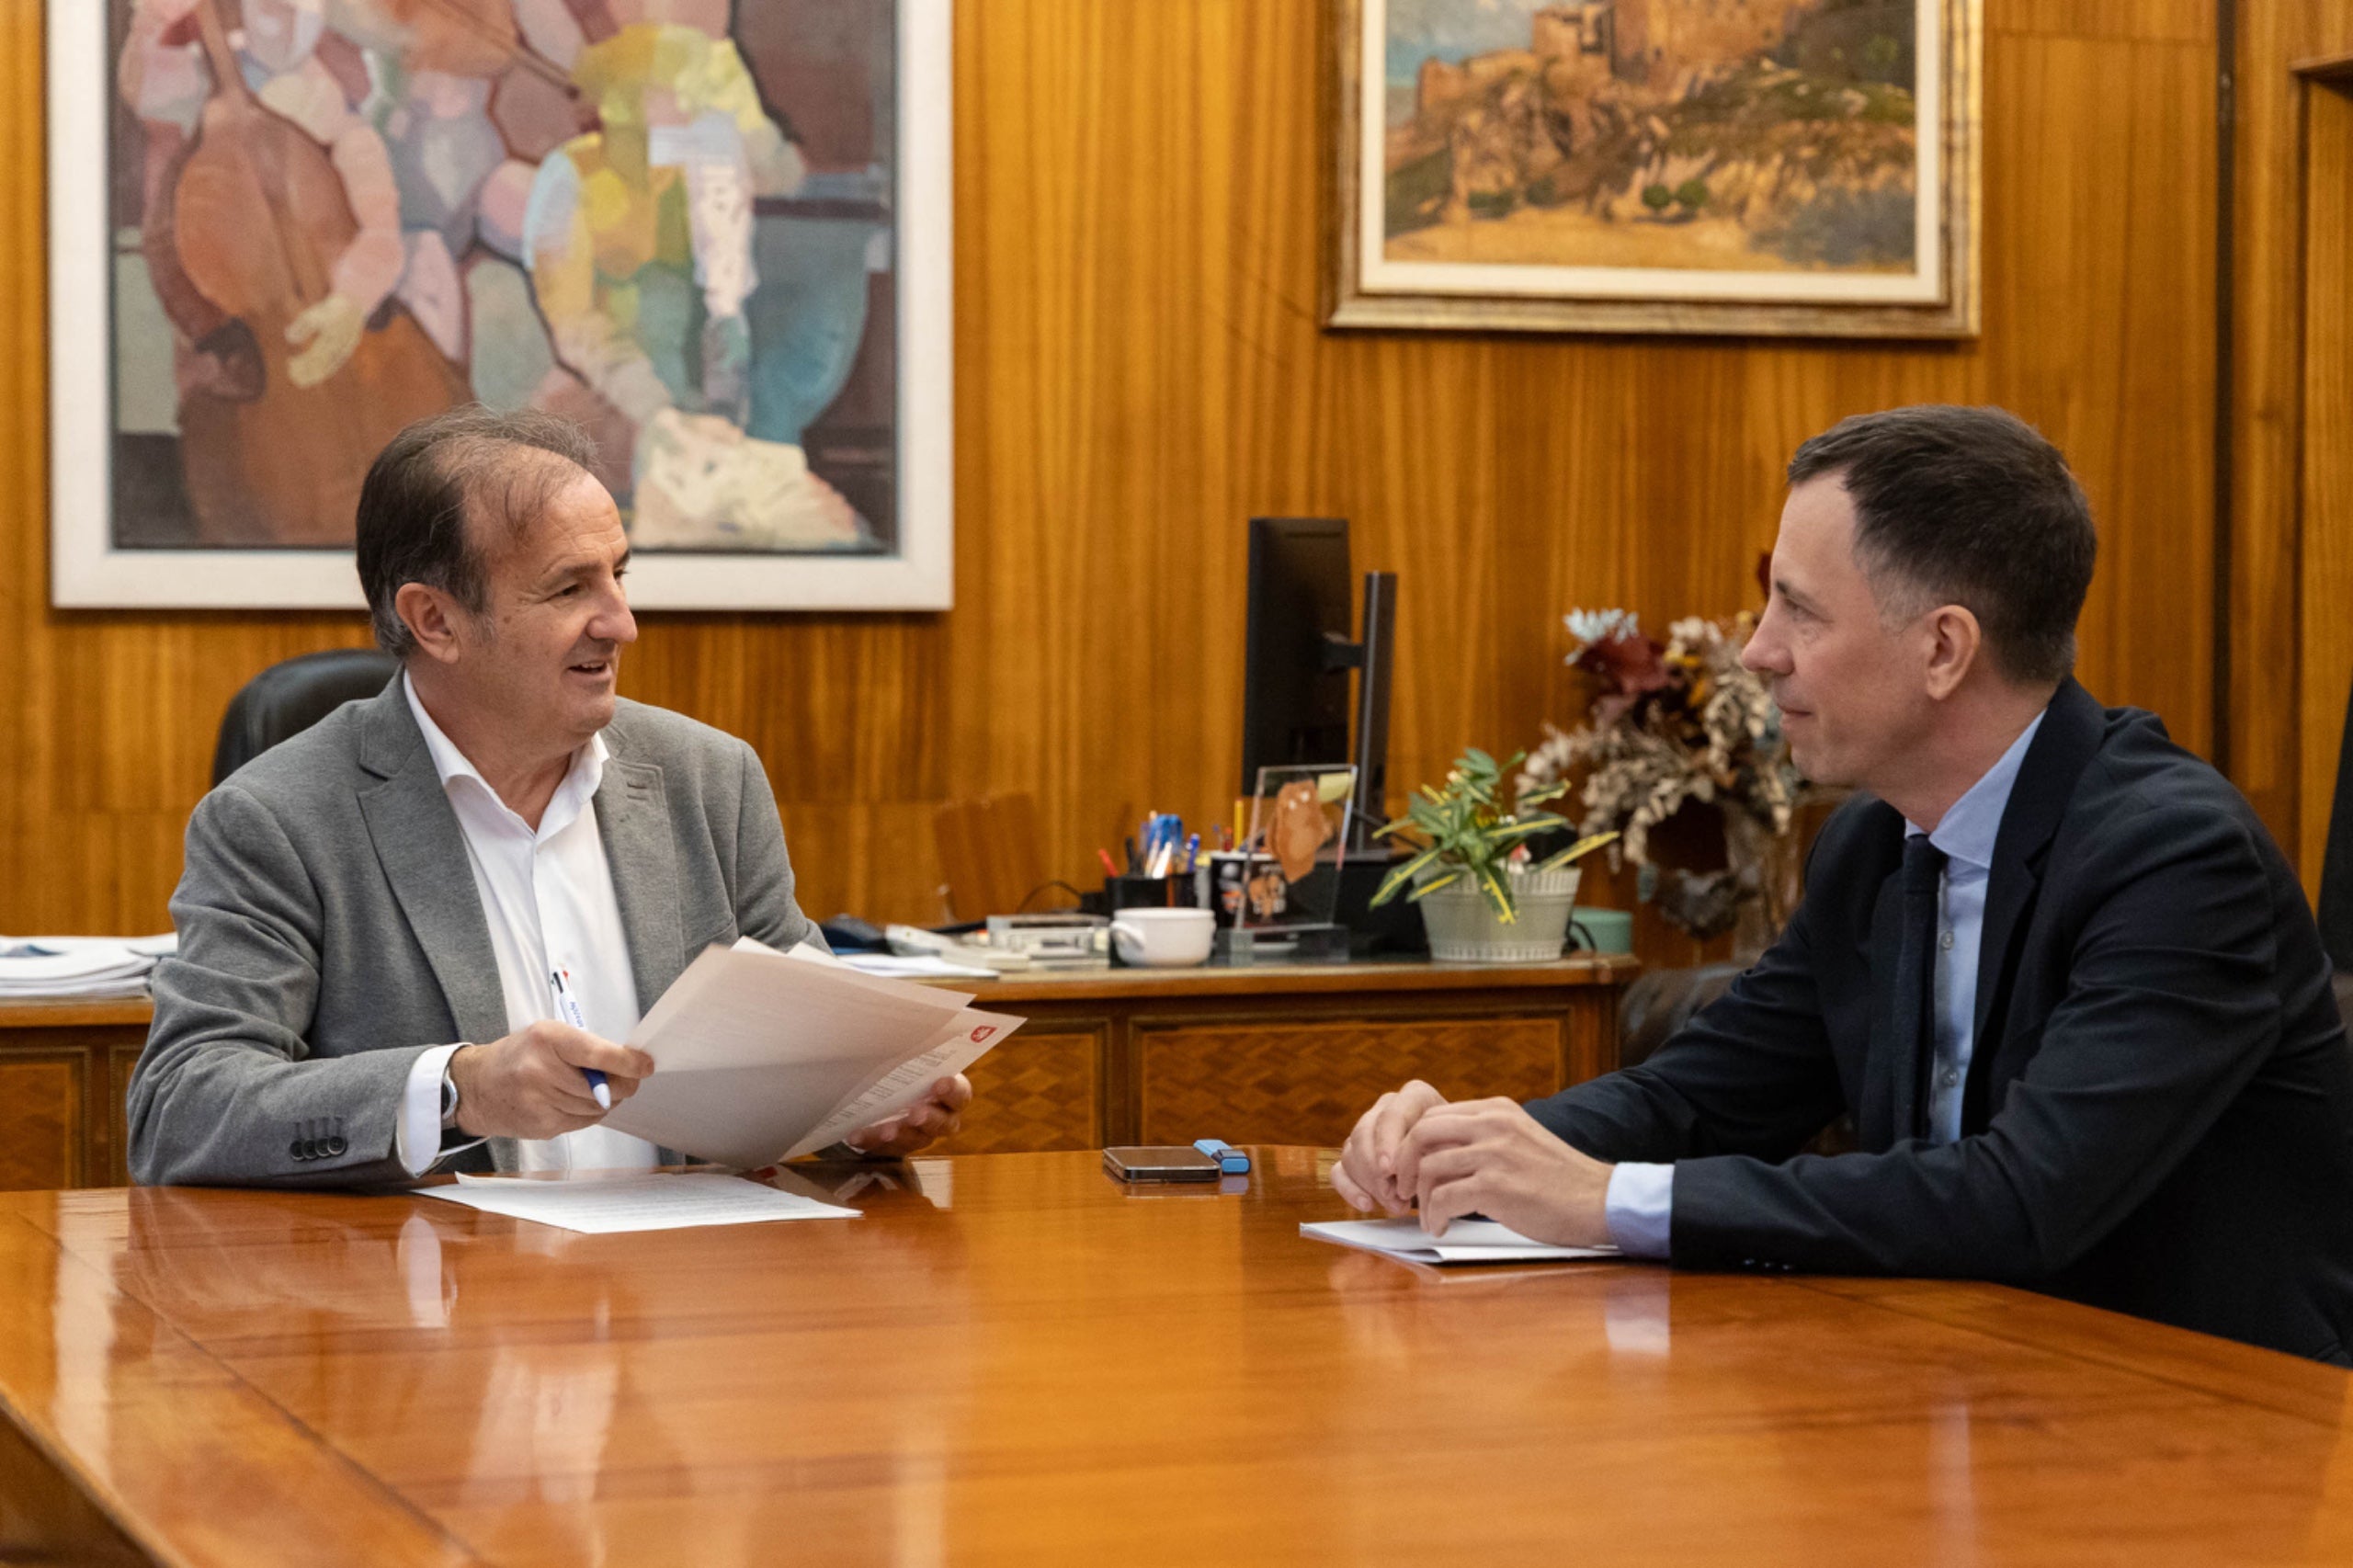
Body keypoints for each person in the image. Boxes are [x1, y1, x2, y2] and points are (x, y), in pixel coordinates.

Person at [1336, 404, 2353, 1364]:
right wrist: (1465, 1148)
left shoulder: (2174, 855)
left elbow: (2023, 1199)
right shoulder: (1872, 842)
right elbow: (1700, 1099)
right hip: (1954, 1390)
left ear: (1943, 648)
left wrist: (1602, 1199)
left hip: (2198, 1440)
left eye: (1798, 608)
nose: (1755, 649)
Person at [129, 406, 970, 1187]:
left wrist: (862, 1107)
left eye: (619, 575)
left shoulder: (709, 781)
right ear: (435, 621)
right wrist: (459, 1088)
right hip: (433, 1313)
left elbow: (807, 1040)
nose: (621, 622)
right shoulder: (280, 820)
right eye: (570, 589)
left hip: (687, 1306)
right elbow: (180, 1109)